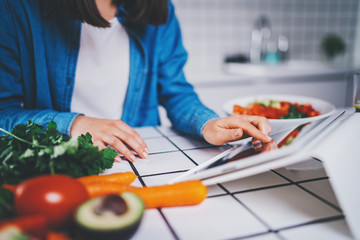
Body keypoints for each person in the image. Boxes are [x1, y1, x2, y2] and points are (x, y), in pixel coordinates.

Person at [0, 0, 272, 162]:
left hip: (143, 161)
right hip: (62, 162)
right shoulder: (16, 9)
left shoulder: (159, 9)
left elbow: (177, 93)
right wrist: (75, 124)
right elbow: (4, 114)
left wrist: (207, 123)